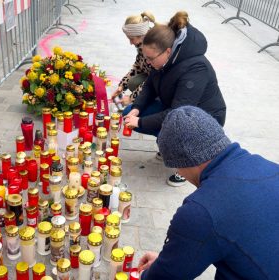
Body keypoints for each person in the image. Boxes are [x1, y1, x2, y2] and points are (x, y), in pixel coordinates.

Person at [137, 106, 279, 279]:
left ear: (184, 161)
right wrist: (169, 261)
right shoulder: (269, 167)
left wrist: (150, 273)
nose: (179, 173)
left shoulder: (200, 211)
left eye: (176, 166)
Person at [123, 11, 227, 187]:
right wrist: (137, 108)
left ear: (168, 51)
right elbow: (149, 84)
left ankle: (188, 164)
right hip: (177, 109)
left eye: (150, 59)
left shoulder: (195, 68)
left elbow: (178, 113)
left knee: (167, 123)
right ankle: (168, 144)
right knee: (129, 112)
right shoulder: (163, 59)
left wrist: (140, 122)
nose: (147, 63)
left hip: (205, 118)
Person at [111, 12, 155, 110]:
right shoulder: (142, 44)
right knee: (132, 82)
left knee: (127, 112)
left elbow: (153, 79)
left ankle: (153, 103)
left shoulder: (153, 48)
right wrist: (122, 86)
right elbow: (137, 67)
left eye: (131, 39)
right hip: (152, 78)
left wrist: (132, 98)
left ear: (141, 36)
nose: (130, 43)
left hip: (161, 83)